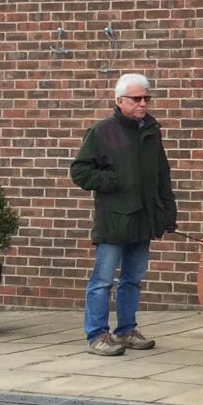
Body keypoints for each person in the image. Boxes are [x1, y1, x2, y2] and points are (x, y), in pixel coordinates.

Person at [71, 73, 179, 356]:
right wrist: (112, 181)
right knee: (103, 279)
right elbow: (80, 171)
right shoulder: (102, 131)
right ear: (120, 101)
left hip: (143, 218)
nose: (143, 103)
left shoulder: (151, 132)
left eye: (146, 98)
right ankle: (97, 334)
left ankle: (127, 329)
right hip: (114, 219)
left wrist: (167, 212)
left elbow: (162, 175)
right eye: (136, 98)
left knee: (133, 278)